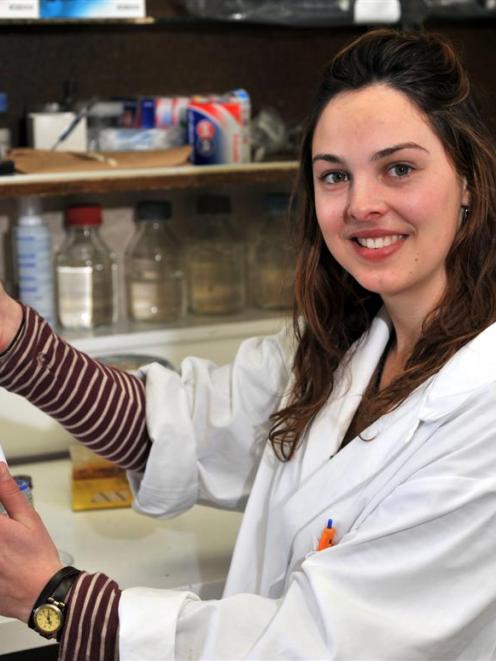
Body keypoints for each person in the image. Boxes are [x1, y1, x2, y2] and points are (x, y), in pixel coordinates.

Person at [1, 25, 496, 660]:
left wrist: (56, 600)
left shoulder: (480, 416)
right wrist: (12, 336)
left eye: (399, 169)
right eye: (334, 176)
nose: (361, 204)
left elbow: (313, 647)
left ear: (470, 182)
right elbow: (174, 427)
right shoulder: (345, 346)